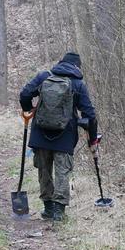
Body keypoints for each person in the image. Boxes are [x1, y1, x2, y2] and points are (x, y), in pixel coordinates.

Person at [19, 52, 98, 221]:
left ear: (61, 62)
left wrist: (28, 109)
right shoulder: (78, 84)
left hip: (40, 133)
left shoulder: (44, 77)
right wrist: (92, 140)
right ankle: (58, 212)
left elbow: (24, 94)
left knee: (44, 170)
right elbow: (90, 115)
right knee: (62, 172)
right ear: (77, 67)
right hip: (65, 135)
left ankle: (48, 208)